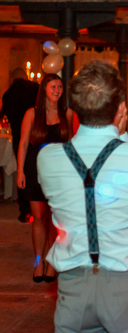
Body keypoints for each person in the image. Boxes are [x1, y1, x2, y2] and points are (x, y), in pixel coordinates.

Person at [37, 60, 128, 332]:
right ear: (121, 109)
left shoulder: (47, 158)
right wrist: (122, 133)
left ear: (76, 109)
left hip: (72, 290)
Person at [16, 73, 73, 283]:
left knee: (54, 220)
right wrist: (20, 171)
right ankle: (39, 260)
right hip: (35, 170)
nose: (57, 90)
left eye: (60, 87)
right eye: (53, 87)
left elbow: (72, 145)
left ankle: (52, 261)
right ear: (44, 90)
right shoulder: (32, 113)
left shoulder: (67, 113)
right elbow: (22, 143)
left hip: (59, 173)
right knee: (39, 218)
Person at [2, 68, 39, 223]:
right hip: (36, 136)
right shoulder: (36, 88)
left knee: (22, 171)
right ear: (25, 76)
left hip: (18, 136)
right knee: (37, 170)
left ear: (12, 78)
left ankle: (24, 209)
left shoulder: (8, 94)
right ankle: (38, 205)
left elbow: (4, 115)